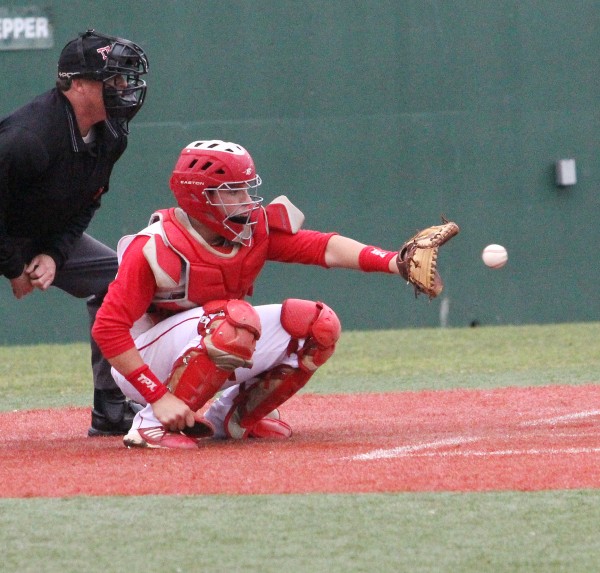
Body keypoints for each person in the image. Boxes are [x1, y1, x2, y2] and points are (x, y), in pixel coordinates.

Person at [91, 139, 408, 449]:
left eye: (246, 188)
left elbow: (323, 247)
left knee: (317, 325)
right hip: (140, 361)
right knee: (233, 320)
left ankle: (233, 416)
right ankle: (151, 426)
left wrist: (395, 262)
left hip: (212, 335)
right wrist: (159, 398)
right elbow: (107, 329)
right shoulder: (156, 245)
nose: (247, 200)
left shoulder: (250, 228)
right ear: (200, 196)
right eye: (233, 192)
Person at [0, 29, 149, 436]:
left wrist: (54, 254)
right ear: (78, 84)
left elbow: (86, 202)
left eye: (123, 78)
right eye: (112, 79)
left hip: (37, 231)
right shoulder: (27, 138)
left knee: (121, 279)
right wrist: (14, 268)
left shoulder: (112, 133)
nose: (123, 88)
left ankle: (110, 408)